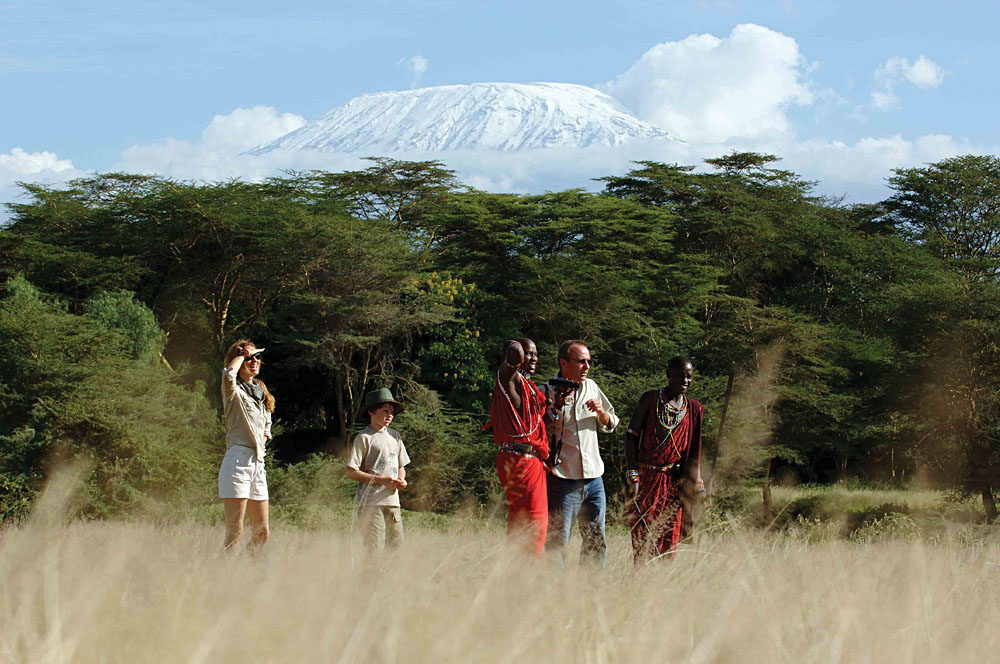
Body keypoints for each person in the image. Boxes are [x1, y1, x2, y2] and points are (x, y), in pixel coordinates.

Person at [545, 340, 619, 566]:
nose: (587, 366)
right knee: (557, 542)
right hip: (563, 479)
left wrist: (600, 412)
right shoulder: (546, 390)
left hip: (594, 480)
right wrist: (556, 406)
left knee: (595, 540)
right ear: (563, 363)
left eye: (589, 361)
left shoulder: (592, 387)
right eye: (581, 361)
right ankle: (554, 593)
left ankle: (591, 592)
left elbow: (611, 423)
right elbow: (539, 428)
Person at [625, 356, 705, 563]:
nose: (685, 381)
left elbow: (694, 453)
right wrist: (633, 475)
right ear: (669, 375)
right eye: (681, 376)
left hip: (673, 482)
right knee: (643, 535)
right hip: (647, 478)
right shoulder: (650, 400)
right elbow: (631, 436)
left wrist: (697, 483)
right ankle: (639, 581)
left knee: (669, 537)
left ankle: (661, 586)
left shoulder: (693, 409)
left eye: (689, 377)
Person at [491, 338, 549, 557]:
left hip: (530, 461)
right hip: (520, 460)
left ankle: (514, 577)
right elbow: (513, 354)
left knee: (522, 524)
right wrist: (514, 351)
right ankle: (529, 578)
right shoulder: (509, 379)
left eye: (535, 354)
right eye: (529, 354)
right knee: (534, 524)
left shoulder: (529, 388)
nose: (533, 358)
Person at [219, 340, 275, 551]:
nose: (254, 361)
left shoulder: (262, 395)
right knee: (235, 530)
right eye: (249, 357)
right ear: (239, 359)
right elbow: (228, 375)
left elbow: (266, 431)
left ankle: (246, 573)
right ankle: (226, 575)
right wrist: (241, 354)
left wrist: (259, 450)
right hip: (237, 460)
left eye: (256, 357)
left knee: (262, 533)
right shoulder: (234, 392)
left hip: (257, 462)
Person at [345, 388, 410, 551]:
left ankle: (391, 578)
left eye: (392, 412)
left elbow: (401, 465)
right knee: (374, 552)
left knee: (396, 549)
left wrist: (402, 480)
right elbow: (351, 472)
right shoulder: (364, 438)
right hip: (370, 504)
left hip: (393, 503)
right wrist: (382, 480)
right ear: (371, 412)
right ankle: (370, 577)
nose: (390, 415)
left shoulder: (395, 436)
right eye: (385, 411)